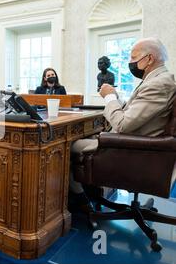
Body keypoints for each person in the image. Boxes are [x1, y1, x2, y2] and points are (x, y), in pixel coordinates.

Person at [70, 37, 176, 212]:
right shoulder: (161, 80)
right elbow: (137, 111)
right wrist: (116, 97)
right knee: (87, 138)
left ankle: (82, 200)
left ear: (149, 58)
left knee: (70, 146)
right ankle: (90, 194)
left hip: (135, 151)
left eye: (133, 58)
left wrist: (110, 97)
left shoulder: (159, 84)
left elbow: (122, 125)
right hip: (143, 146)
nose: (130, 63)